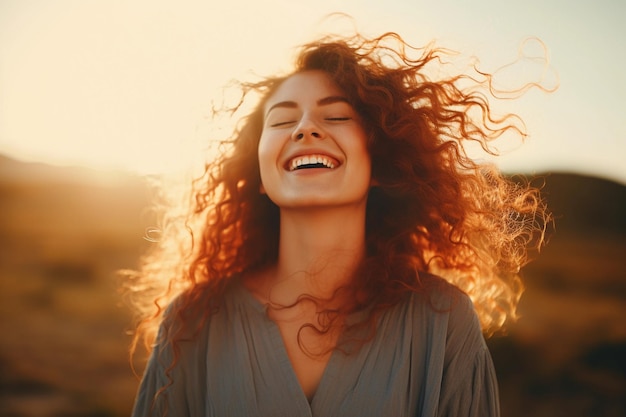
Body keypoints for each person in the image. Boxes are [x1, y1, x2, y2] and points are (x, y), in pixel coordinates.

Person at [129, 31, 549, 416]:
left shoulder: (442, 321)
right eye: (281, 121)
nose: (306, 128)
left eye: (336, 117)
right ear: (258, 175)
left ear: (381, 163)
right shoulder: (194, 320)